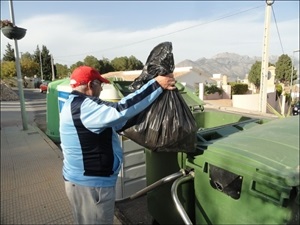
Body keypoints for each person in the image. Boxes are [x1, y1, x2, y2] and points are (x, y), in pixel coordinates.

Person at [59, 65, 176, 224]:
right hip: (92, 187)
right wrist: (156, 85)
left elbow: (115, 121)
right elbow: (120, 110)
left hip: (82, 182)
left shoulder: (72, 103)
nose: (101, 88)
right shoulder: (84, 107)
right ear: (90, 84)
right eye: (100, 84)